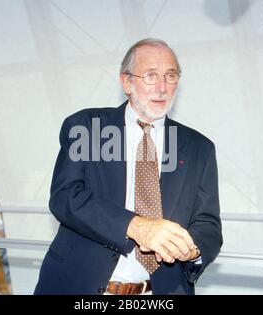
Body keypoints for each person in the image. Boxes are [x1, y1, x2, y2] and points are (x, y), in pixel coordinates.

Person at [34, 38, 222, 295]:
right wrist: (136, 226)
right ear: (127, 82)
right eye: (150, 76)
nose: (162, 87)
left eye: (171, 76)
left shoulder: (199, 148)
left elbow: (208, 224)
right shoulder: (88, 128)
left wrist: (193, 250)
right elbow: (65, 198)